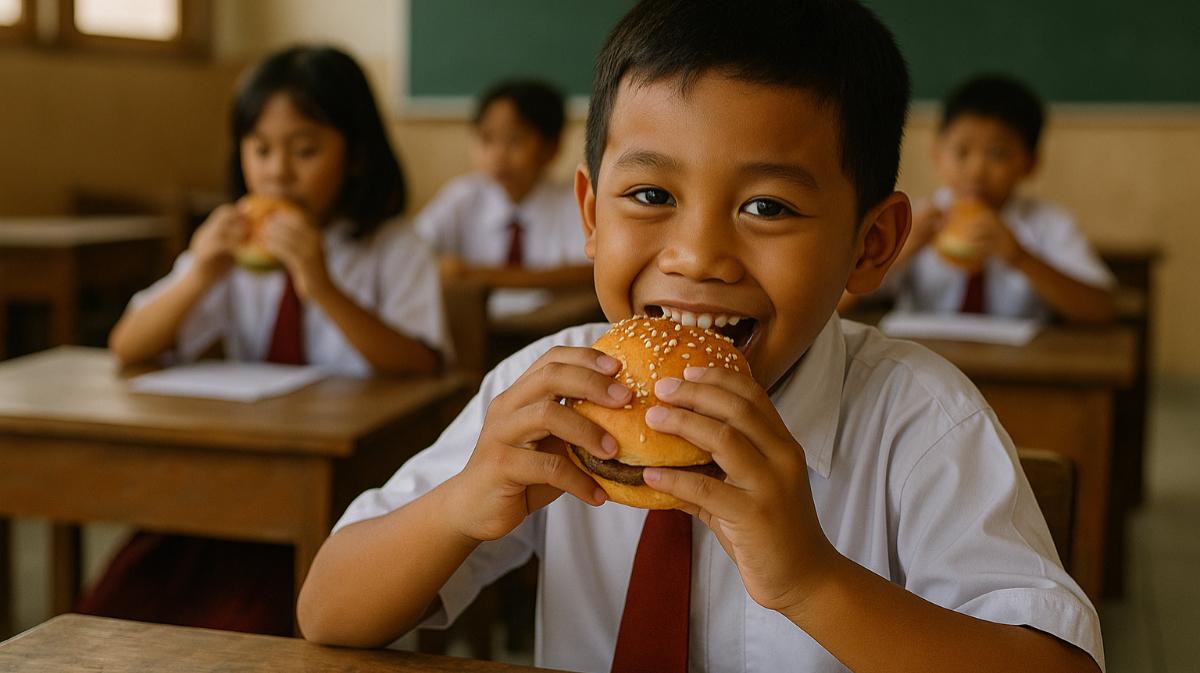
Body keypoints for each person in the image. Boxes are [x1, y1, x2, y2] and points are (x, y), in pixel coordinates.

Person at [298, 3, 1104, 672]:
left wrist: (809, 578)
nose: (696, 257)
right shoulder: (545, 390)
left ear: (873, 244)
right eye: (650, 193)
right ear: (589, 213)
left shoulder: (919, 419)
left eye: (768, 207)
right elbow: (328, 611)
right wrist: (458, 506)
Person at [84, 45, 452, 635]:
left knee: (252, 624)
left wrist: (321, 284)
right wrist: (202, 272)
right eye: (260, 150)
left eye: (305, 150)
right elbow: (129, 345)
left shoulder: (391, 246)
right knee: (119, 605)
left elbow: (419, 364)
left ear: (355, 155)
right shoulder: (231, 247)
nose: (279, 171)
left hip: (349, 489)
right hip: (237, 483)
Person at [839, 74, 1116, 323]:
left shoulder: (1048, 224)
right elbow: (836, 304)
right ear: (937, 153)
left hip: (1019, 372)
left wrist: (1020, 258)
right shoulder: (908, 219)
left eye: (998, 154)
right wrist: (901, 250)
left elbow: (1103, 309)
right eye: (961, 152)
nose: (977, 171)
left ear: (1030, 164)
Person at [413, 79, 593, 291]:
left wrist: (477, 274)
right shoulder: (462, 197)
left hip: (551, 322)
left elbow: (588, 272)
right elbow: (412, 249)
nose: (498, 155)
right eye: (487, 139)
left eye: (514, 141)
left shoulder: (573, 202)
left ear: (551, 148)